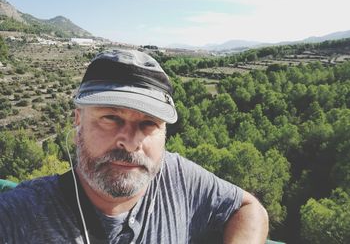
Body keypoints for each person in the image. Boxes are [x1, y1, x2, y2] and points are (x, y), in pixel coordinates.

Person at [0, 49, 268, 243]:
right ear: (78, 119)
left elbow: (249, 209)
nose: (129, 142)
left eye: (149, 123)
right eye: (111, 118)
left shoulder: (178, 178)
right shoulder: (22, 212)